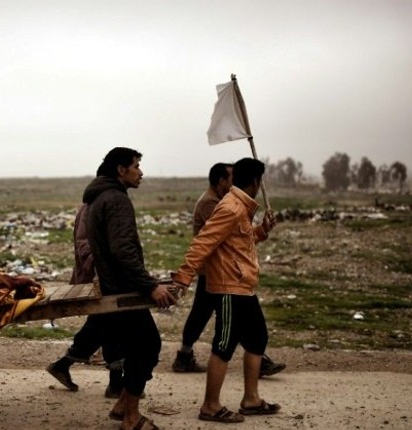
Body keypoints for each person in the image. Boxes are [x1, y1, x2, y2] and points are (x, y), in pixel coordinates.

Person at [170, 157, 281, 424]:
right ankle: (210, 406)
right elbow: (203, 242)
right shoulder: (231, 208)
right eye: (260, 181)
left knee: (257, 338)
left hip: (244, 287)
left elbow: (240, 240)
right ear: (255, 182)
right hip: (229, 288)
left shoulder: (241, 208)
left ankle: (251, 400)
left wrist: (263, 230)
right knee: (224, 344)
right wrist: (183, 277)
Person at [82, 147, 176, 430]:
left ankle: (123, 404)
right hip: (123, 290)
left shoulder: (99, 197)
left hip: (114, 285)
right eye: (136, 165)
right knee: (148, 346)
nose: (141, 171)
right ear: (120, 170)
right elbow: (122, 249)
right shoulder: (116, 199)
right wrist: (150, 286)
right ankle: (131, 417)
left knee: (138, 347)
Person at [46, 204, 128, 399]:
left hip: (106, 279)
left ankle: (63, 365)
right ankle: (115, 384)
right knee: (109, 323)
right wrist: (103, 270)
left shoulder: (102, 204)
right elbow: (85, 245)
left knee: (103, 324)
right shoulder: (94, 207)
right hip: (99, 280)